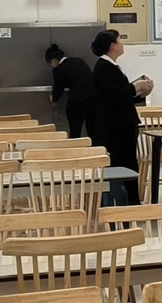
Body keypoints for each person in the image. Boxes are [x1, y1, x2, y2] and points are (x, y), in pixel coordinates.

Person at [89, 30, 152, 205]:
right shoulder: (104, 67)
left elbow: (122, 96)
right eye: (119, 40)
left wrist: (141, 93)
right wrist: (135, 87)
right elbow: (114, 95)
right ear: (112, 46)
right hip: (115, 127)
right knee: (122, 164)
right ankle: (126, 202)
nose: (122, 44)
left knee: (129, 162)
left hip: (122, 123)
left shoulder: (112, 66)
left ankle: (132, 201)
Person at [45, 44, 94, 138]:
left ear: (53, 60)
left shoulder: (60, 69)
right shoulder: (78, 61)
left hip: (77, 102)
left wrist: (54, 98)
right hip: (93, 99)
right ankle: (95, 146)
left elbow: (58, 88)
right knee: (93, 131)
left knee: (75, 131)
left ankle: (75, 147)